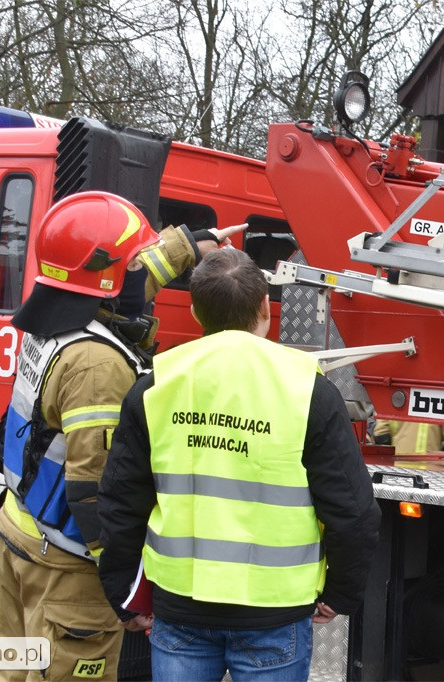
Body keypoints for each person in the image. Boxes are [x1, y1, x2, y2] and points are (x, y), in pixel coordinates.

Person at [0, 190, 246, 681]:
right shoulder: (98, 365)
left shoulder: (57, 317)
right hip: (68, 568)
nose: (144, 279)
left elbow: (124, 274)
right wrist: (125, 589)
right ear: (109, 280)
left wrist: (191, 246)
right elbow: (95, 489)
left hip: (18, 534)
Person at [97, 248, 381, 681]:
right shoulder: (308, 389)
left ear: (195, 311)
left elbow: (121, 501)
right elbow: (353, 509)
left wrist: (123, 593)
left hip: (180, 610)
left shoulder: (156, 385)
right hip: (274, 614)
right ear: (266, 306)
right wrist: (342, 591)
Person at [373, 418, 444, 455]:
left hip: (398, 468)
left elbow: (381, 435)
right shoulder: (442, 396)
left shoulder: (394, 395)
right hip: (431, 474)